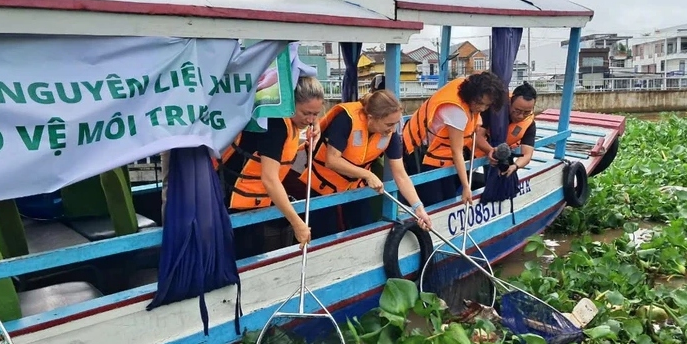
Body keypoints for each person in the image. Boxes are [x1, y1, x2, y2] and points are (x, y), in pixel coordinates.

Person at [298, 89, 433, 239]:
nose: (392, 129)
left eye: (395, 123)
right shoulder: (346, 120)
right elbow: (332, 160)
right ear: (371, 118)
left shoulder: (390, 133)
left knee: (365, 229)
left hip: (355, 189)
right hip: (321, 187)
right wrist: (367, 174)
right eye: (389, 124)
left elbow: (400, 174)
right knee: (324, 235)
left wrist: (418, 208)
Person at [215, 76, 324, 258]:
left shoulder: (293, 120)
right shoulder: (275, 125)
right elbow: (270, 179)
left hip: (254, 205)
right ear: (289, 103)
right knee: (240, 260)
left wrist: (316, 123)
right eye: (306, 113)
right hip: (231, 204)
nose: (310, 119)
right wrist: (297, 224)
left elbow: (307, 115)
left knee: (256, 254)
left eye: (315, 114)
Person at [401, 71, 506, 207]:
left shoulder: (468, 96)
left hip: (443, 157)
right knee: (433, 203)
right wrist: (466, 187)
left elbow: (471, 133)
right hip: (422, 154)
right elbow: (457, 152)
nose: (482, 108)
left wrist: (489, 150)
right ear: (471, 95)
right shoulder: (456, 111)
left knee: (448, 197)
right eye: (479, 103)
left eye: (487, 105)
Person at [476, 81, 538, 176]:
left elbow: (527, 154)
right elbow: (478, 136)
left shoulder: (529, 124)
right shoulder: (493, 109)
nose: (521, 116)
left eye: (526, 112)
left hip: (498, 156)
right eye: (517, 111)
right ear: (510, 103)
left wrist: (515, 166)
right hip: (471, 149)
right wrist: (491, 151)